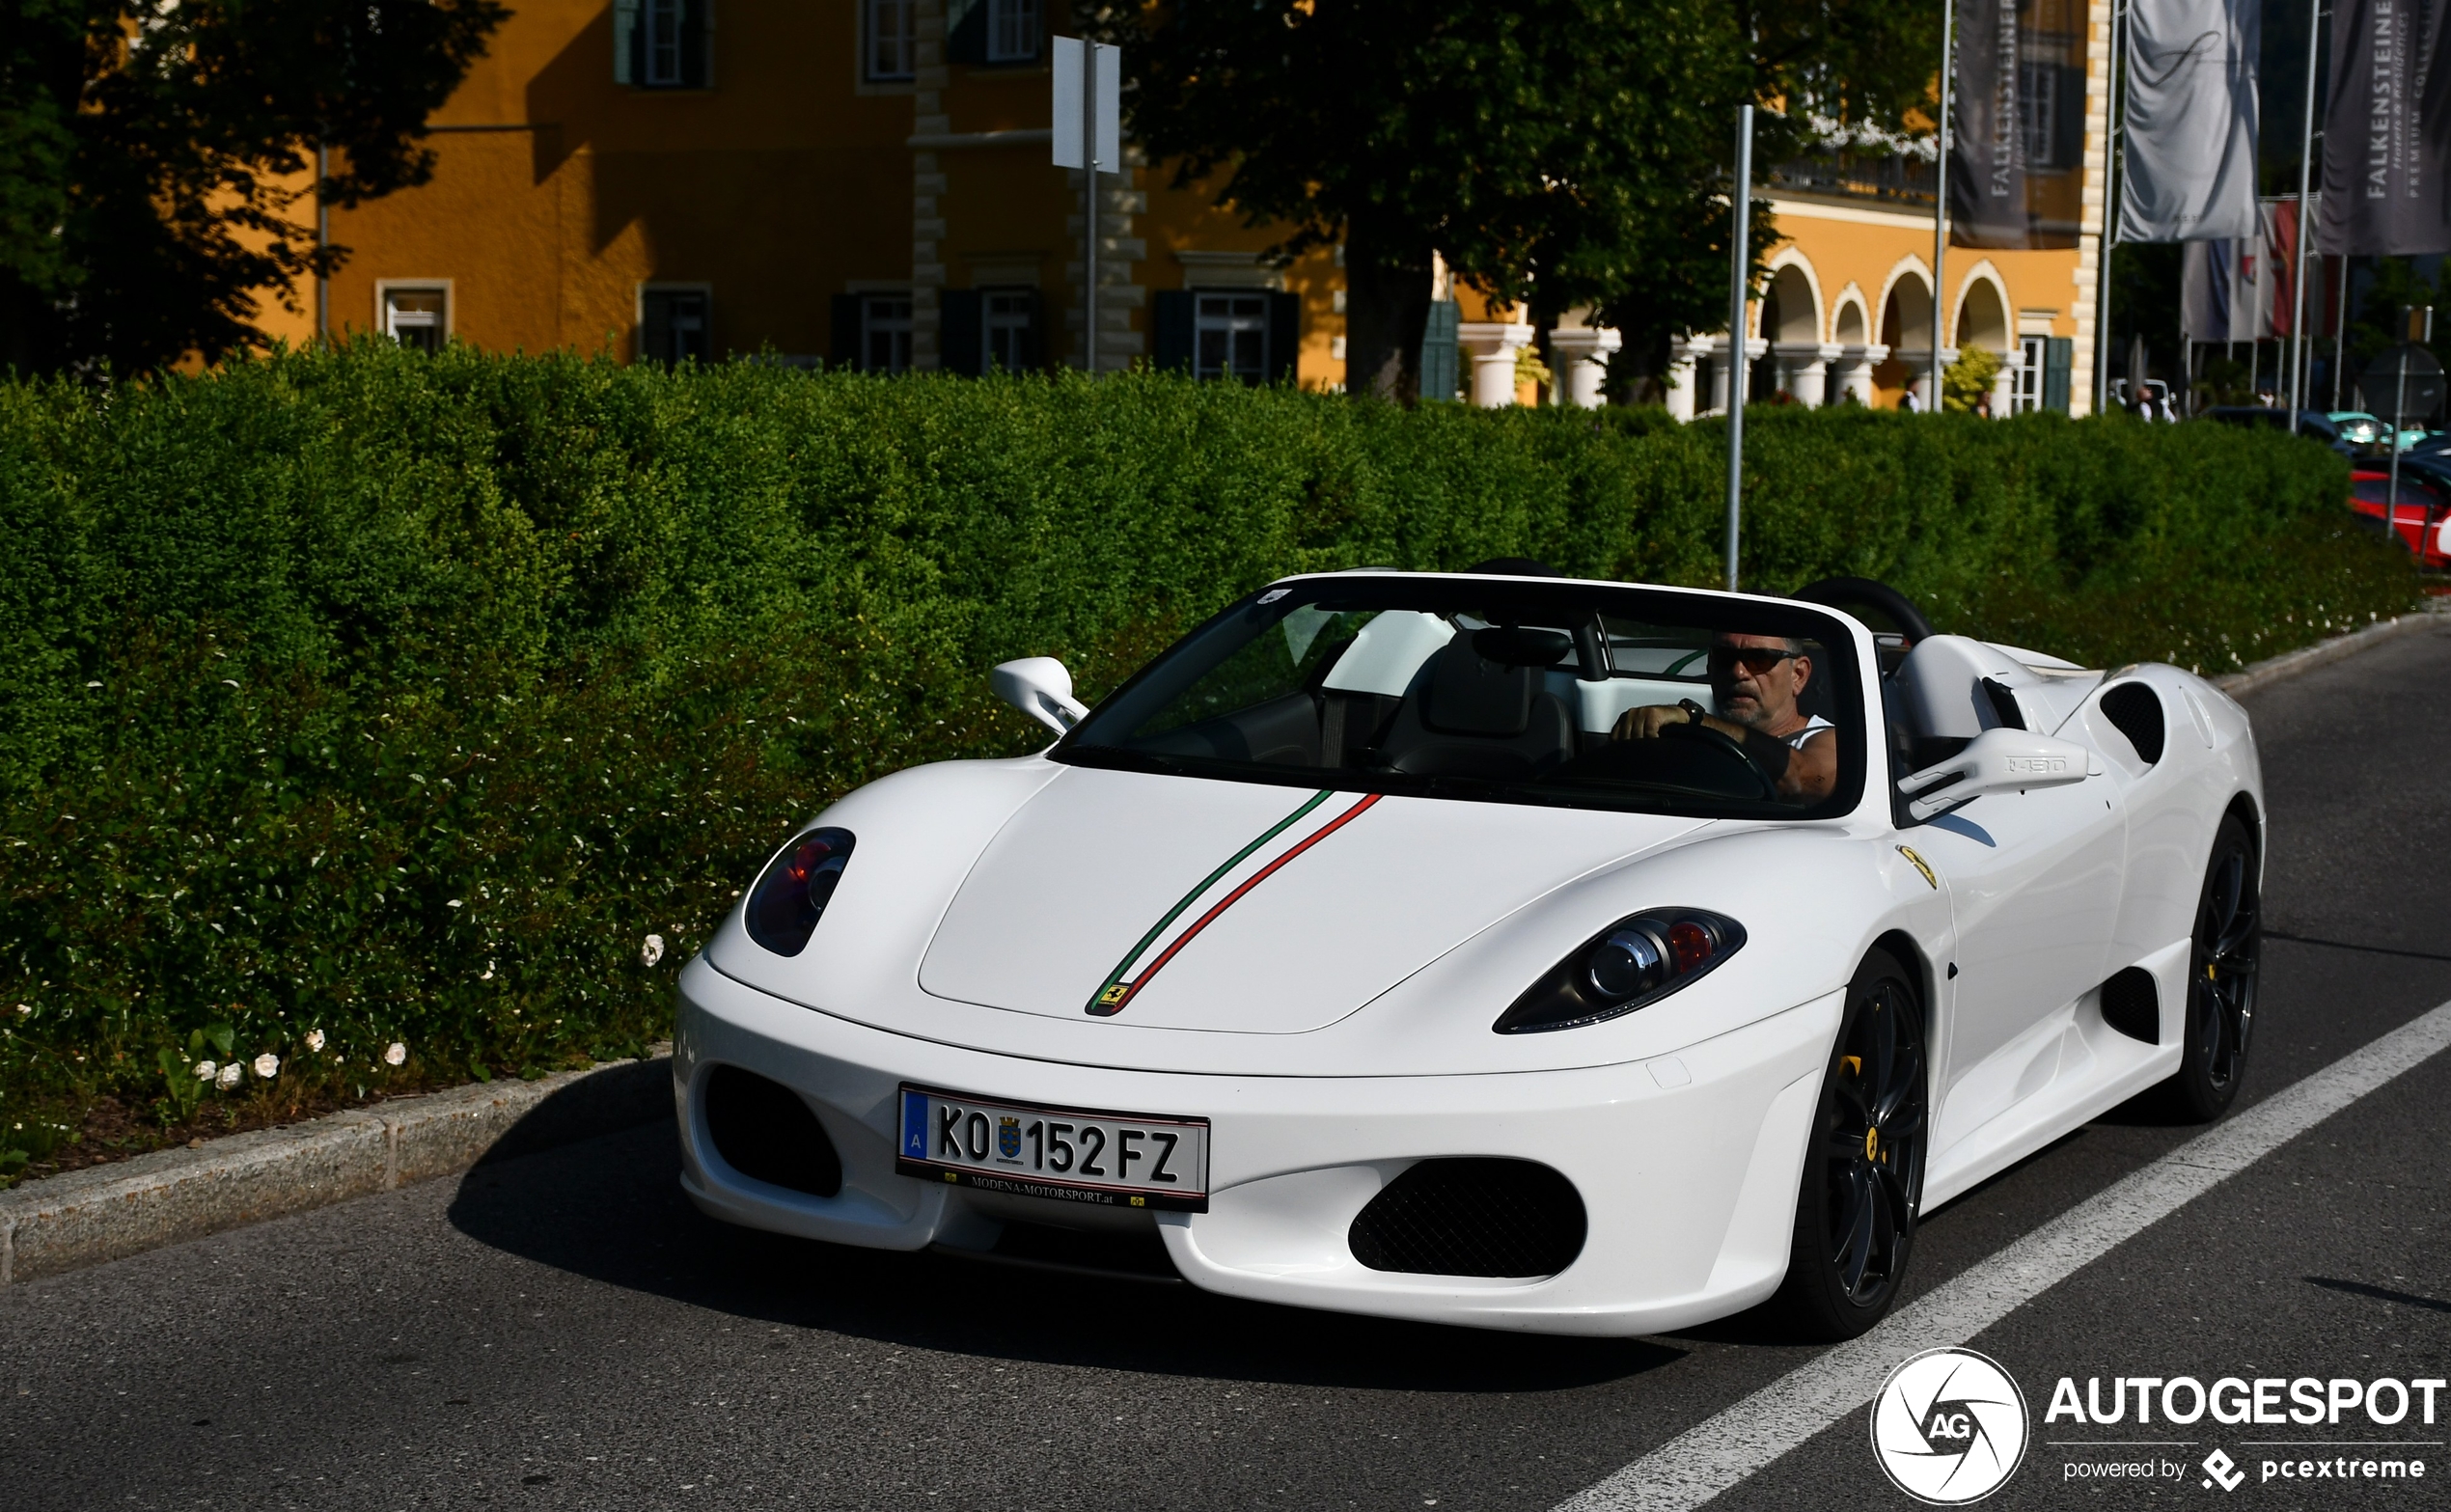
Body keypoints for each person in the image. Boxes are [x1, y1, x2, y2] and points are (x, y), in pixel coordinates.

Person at [1611, 632, 1838, 801]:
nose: (1738, 672)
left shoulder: (1827, 739)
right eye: (1724, 657)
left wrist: (1695, 718)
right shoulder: (1683, 739)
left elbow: (1807, 782)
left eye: (1760, 659)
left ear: (1798, 675)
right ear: (1710, 666)